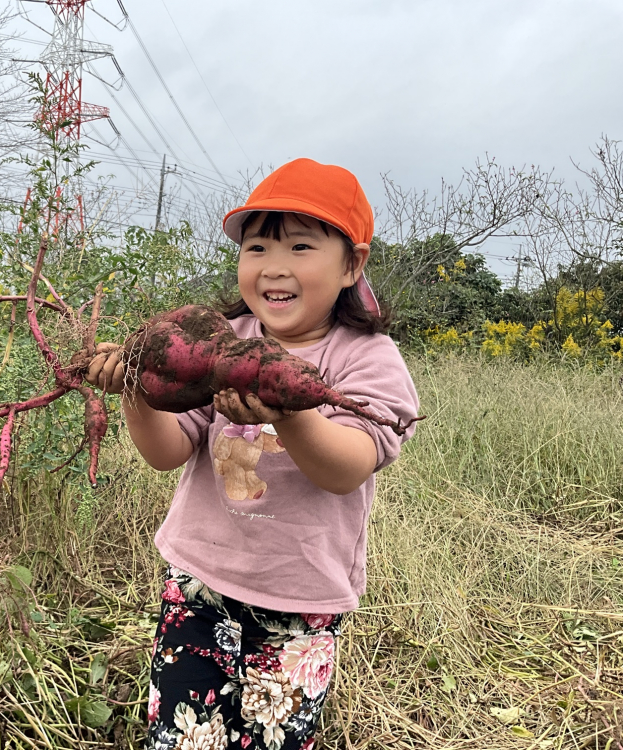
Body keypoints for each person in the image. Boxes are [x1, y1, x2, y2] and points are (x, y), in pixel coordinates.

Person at [85, 158, 420, 750]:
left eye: (300, 246)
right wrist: (135, 388)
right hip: (197, 587)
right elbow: (166, 452)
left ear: (353, 264)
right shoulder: (219, 342)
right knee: (181, 739)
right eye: (257, 247)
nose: (275, 266)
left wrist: (292, 412)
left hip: (298, 604)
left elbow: (345, 469)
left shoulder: (367, 358)